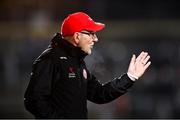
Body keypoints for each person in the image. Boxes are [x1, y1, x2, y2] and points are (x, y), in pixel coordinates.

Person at [24, 12, 151, 119]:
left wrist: (130, 77)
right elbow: (33, 101)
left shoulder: (77, 62)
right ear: (77, 36)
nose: (95, 39)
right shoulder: (50, 59)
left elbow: (99, 94)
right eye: (91, 33)